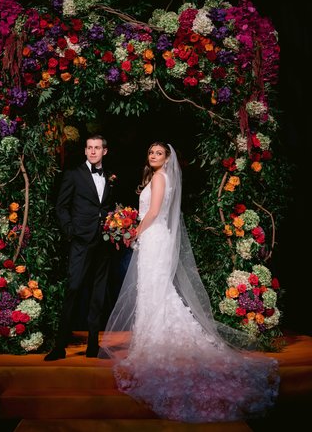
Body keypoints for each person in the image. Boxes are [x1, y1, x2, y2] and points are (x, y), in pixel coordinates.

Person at [100, 142, 280, 423]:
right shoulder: (158, 177)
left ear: (167, 158)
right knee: (153, 290)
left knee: (155, 290)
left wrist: (134, 231)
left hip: (154, 236)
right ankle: (151, 337)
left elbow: (155, 210)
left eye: (159, 153)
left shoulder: (160, 178)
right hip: (155, 237)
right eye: (151, 153)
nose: (154, 156)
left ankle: (156, 340)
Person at [44, 134, 116, 360]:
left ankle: (93, 345)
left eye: (97, 148)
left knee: (98, 294)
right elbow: (61, 206)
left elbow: (110, 206)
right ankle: (59, 346)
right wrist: (71, 231)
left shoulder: (112, 177)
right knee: (73, 289)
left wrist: (114, 225)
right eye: (89, 148)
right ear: (85, 151)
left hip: (104, 241)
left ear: (105, 151)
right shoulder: (73, 174)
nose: (93, 151)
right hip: (81, 241)